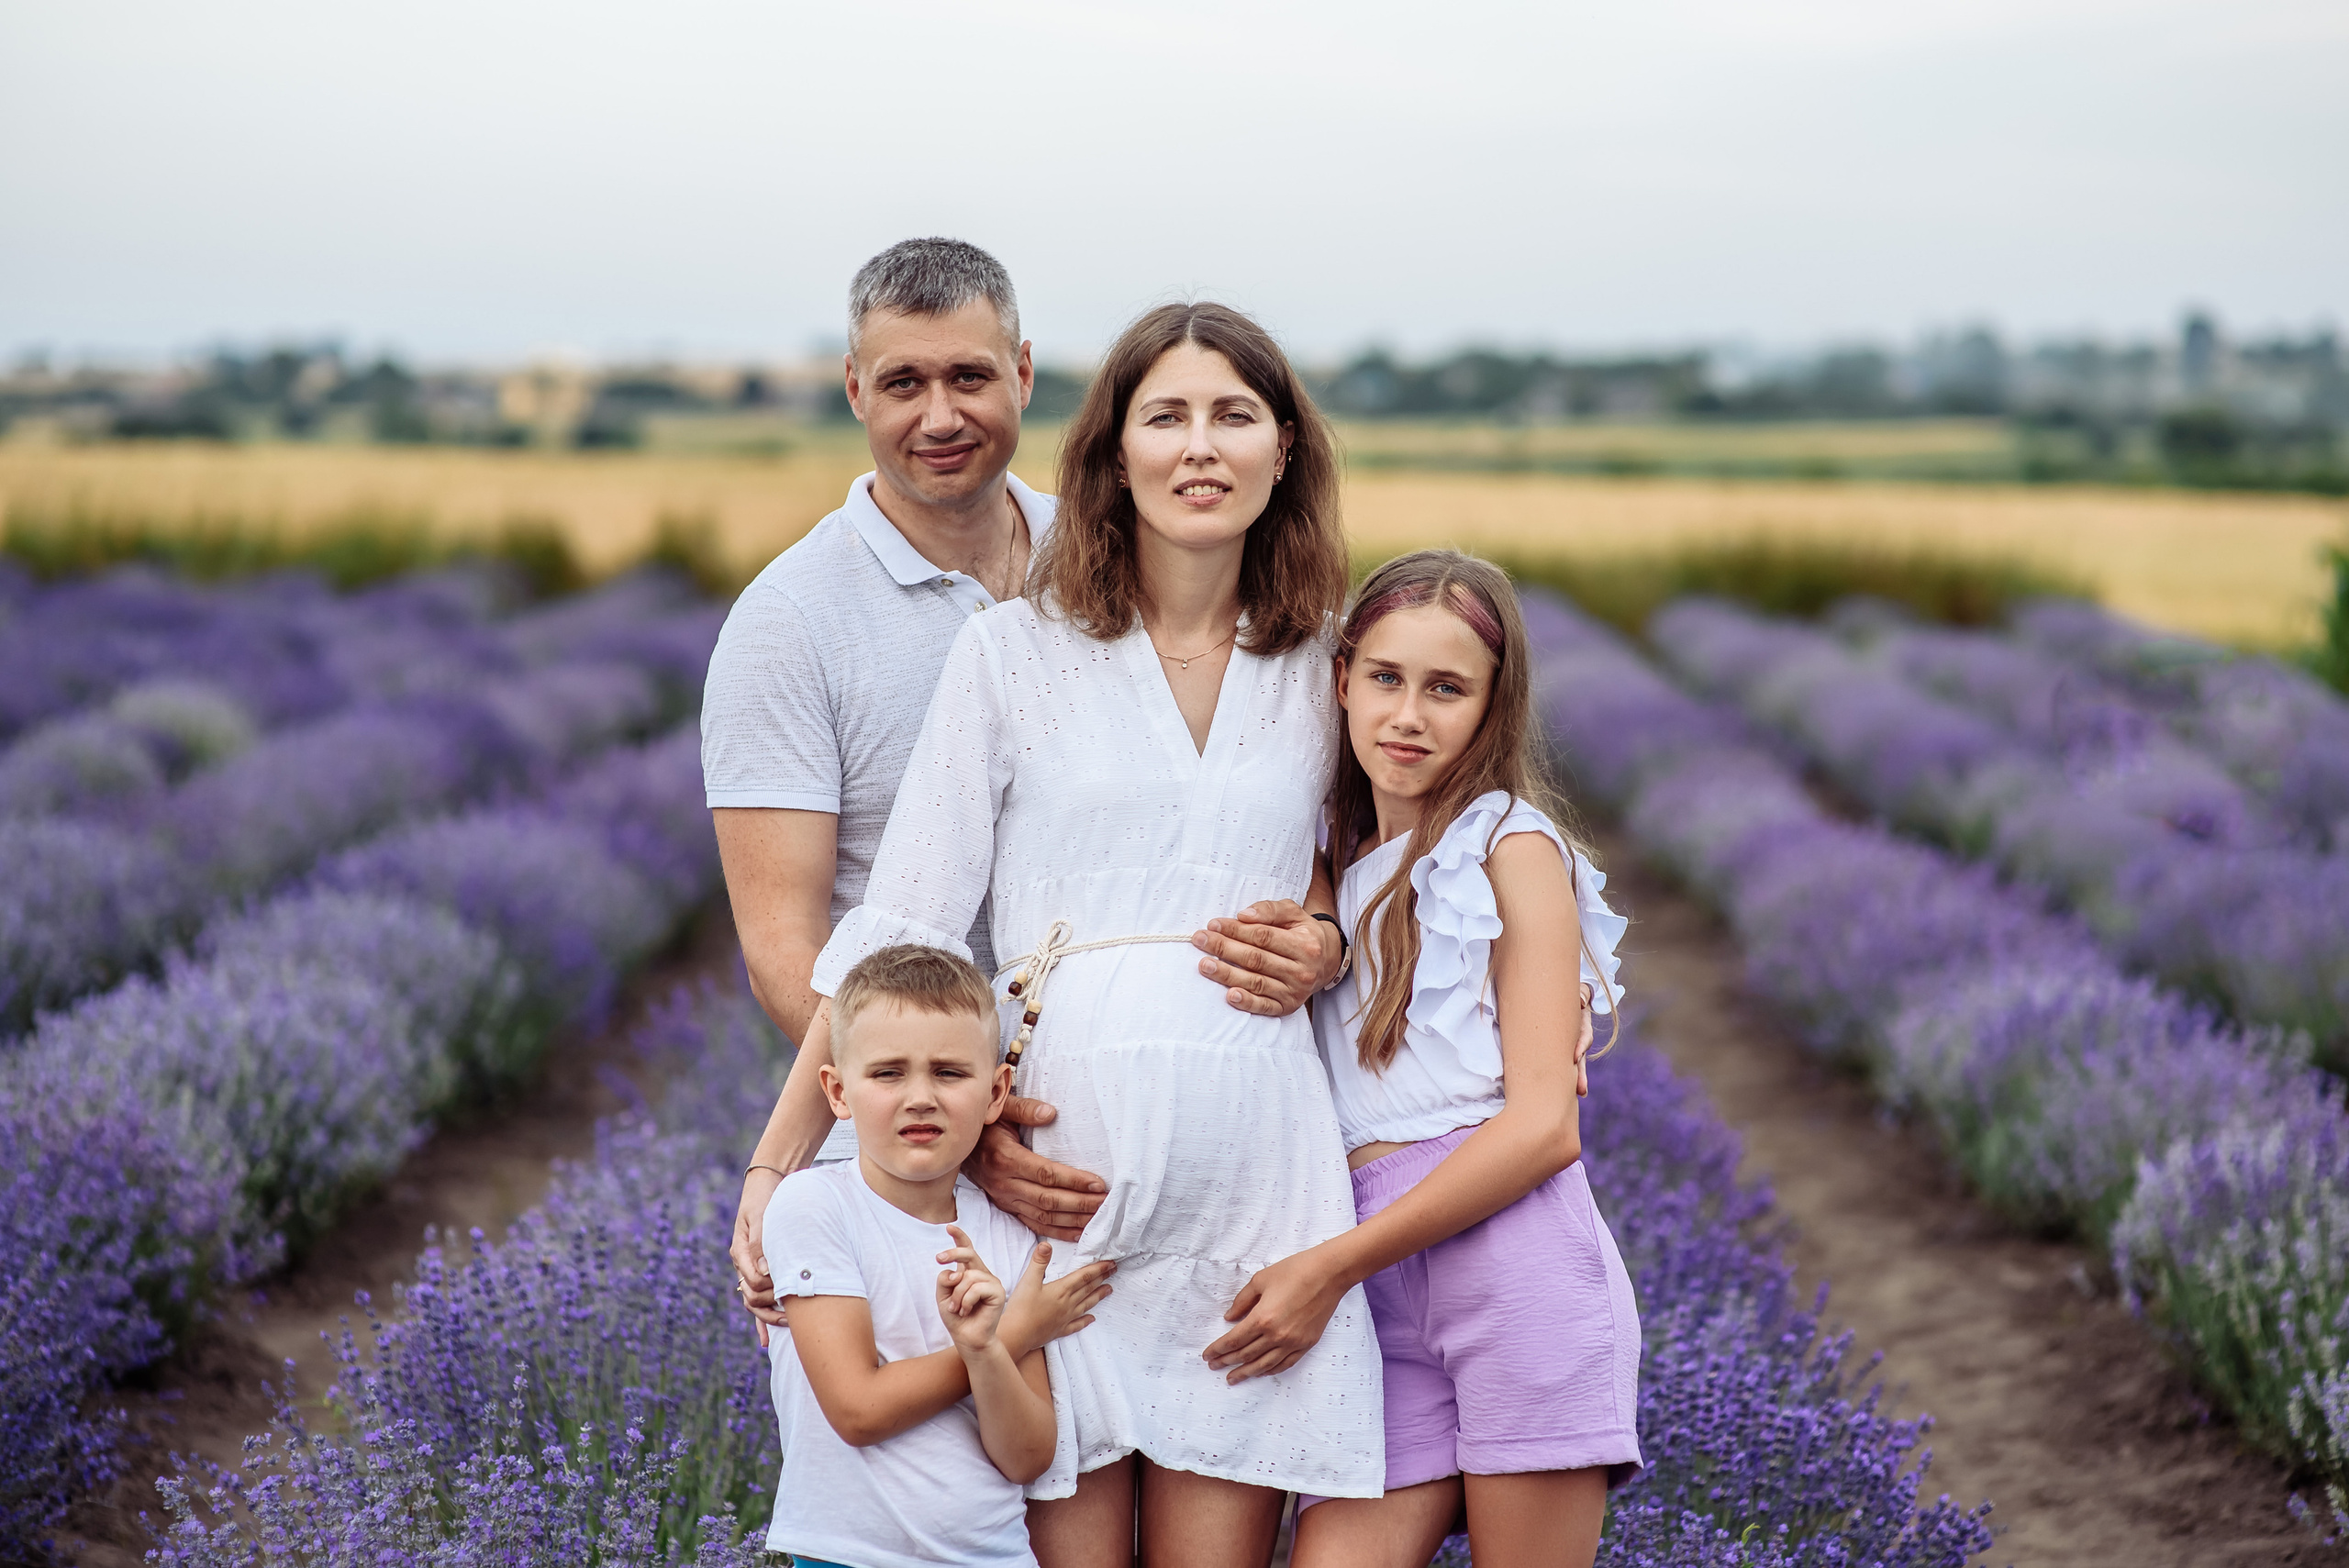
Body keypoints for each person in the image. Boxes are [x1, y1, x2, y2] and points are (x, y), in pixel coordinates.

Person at [803, 302, 1382, 1566]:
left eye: (1234, 414)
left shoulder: (1331, 666)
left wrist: (1333, 933)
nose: (1200, 446)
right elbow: (900, 927)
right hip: (1060, 1198)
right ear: (1113, 453)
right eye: (1164, 416)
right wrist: (784, 1162)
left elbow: (1390, 879)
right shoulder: (1011, 653)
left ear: (1285, 447)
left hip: (1253, 1190)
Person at [703, 239, 1342, 1338]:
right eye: (903, 382)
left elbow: (1262, 800)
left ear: (1025, 375)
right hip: (938, 1126)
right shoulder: (787, 622)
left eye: (969, 377)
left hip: (1161, 1118)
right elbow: (787, 953)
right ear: (855, 388)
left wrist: (1326, 932)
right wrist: (959, 1113)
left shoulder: (1107, 553)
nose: (939, 414)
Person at [1202, 550, 1642, 1568]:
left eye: (1447, 688)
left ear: (1493, 707)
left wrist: (1328, 1266)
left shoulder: (1507, 847)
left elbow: (1543, 1126)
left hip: (1509, 1269)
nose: (1408, 714)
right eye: (1387, 677)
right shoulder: (1323, 858)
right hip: (1378, 1295)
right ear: (1341, 678)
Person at [763, 944, 1082, 1568]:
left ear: (996, 1092)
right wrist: (1012, 1331)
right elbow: (857, 1409)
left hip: (993, 1555)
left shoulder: (1010, 1239)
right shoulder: (814, 1205)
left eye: (949, 1072)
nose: (920, 1096)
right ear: (837, 1090)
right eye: (887, 1072)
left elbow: (1025, 1456)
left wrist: (991, 1349)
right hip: (848, 1555)